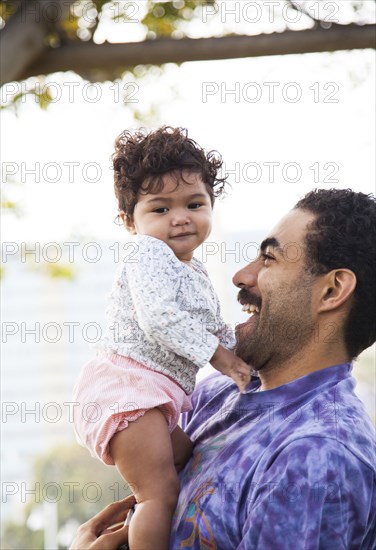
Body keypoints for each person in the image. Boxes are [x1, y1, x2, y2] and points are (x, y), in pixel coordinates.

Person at [71, 188, 376, 550]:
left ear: (331, 291)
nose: (241, 276)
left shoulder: (318, 458)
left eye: (269, 259)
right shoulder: (219, 392)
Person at [72, 127, 251, 550]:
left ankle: (133, 531)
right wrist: (225, 360)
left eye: (194, 203)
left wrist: (246, 350)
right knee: (160, 493)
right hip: (127, 389)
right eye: (160, 208)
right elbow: (160, 319)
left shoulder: (194, 270)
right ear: (130, 222)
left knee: (185, 454)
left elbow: (213, 325)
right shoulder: (147, 254)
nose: (180, 217)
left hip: (153, 395)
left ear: (211, 206)